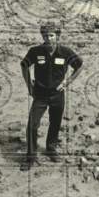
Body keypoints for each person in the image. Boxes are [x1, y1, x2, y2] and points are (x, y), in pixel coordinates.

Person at [19, 22, 83, 169]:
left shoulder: (65, 52)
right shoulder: (35, 51)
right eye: (46, 35)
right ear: (42, 36)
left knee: (55, 123)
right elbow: (24, 66)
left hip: (57, 94)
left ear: (58, 36)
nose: (49, 38)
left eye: (52, 35)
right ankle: (30, 157)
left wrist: (67, 82)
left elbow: (79, 66)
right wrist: (29, 86)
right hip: (40, 95)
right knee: (32, 125)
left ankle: (51, 148)